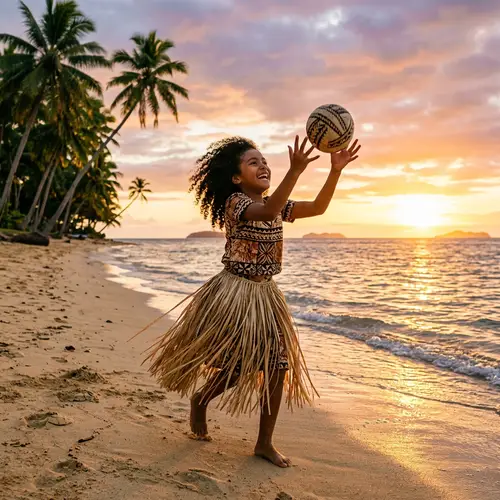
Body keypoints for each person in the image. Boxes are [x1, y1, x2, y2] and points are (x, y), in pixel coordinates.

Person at [145, 135, 361, 467]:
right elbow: (268, 209)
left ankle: (264, 443)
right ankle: (202, 399)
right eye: (253, 162)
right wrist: (296, 170)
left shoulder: (278, 204)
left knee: (277, 365)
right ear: (236, 177)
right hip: (235, 293)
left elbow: (317, 208)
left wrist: (335, 171)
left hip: (266, 295)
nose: (263, 166)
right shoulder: (237, 203)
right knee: (235, 367)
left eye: (264, 161)